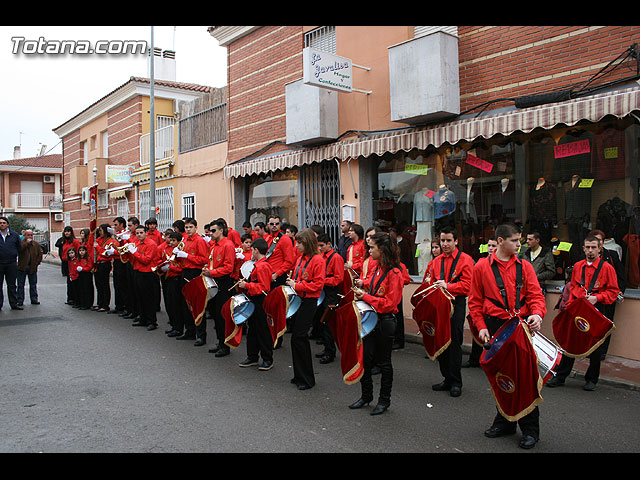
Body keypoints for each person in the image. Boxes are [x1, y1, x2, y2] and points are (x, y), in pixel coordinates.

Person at [468, 223, 546, 449]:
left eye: (520, 240)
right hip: (494, 326)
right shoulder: (482, 266)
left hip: (519, 326)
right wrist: (480, 325)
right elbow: (475, 302)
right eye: (514, 240)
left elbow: (536, 297)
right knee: (500, 377)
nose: (519, 244)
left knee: (526, 378)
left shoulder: (526, 267)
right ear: (500, 241)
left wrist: (538, 315)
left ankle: (531, 429)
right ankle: (505, 421)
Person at [546, 235, 619, 391]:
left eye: (594, 247)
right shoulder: (578, 266)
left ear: (600, 249)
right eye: (588, 247)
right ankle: (560, 376)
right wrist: (571, 305)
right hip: (578, 308)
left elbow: (613, 292)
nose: (590, 251)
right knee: (569, 342)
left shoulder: (607, 268)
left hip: (597, 308)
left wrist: (596, 297)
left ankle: (592, 379)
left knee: (595, 346)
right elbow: (573, 288)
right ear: (584, 248)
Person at [350, 232, 405, 415]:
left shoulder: (395, 273)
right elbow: (373, 283)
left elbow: (390, 303)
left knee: (384, 363)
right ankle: (366, 396)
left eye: (372, 247)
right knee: (364, 359)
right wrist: (362, 283)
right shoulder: (377, 267)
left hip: (385, 322)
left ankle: (384, 400)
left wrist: (365, 296)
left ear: (382, 249)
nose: (369, 250)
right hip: (371, 319)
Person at [425, 226, 474, 397]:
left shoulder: (466, 260)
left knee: (454, 343)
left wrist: (449, 286)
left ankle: (456, 382)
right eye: (442, 241)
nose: (445, 244)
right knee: (441, 342)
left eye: (448, 241)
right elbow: (429, 282)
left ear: (456, 241)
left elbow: (468, 287)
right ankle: (446, 378)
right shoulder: (436, 261)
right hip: (439, 305)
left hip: (456, 303)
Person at [286, 228, 325, 390]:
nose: (297, 246)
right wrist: (292, 281)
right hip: (299, 299)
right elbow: (299, 276)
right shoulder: (301, 258)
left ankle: (307, 378)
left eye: (300, 243)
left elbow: (318, 284)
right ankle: (298, 375)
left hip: (309, 301)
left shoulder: (318, 260)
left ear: (308, 243)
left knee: (300, 337)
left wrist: (297, 285)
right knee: (295, 338)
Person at [238, 237, 275, 371]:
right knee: (252, 329)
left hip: (261, 301)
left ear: (256, 250)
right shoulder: (258, 264)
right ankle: (252, 356)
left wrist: (246, 285)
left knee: (262, 330)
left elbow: (264, 287)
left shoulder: (263, 265)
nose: (251, 252)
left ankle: (267, 358)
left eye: (252, 250)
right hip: (253, 300)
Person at [464, 236, 498, 368]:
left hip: (494, 306)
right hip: (481, 303)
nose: (490, 248)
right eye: (489, 245)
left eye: (493, 246)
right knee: (477, 330)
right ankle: (474, 359)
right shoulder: (481, 263)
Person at [203, 219, 236, 354]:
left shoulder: (228, 245)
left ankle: (225, 345)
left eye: (214, 230)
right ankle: (220, 341)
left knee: (222, 315)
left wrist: (212, 272)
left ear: (221, 230)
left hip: (223, 282)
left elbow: (228, 268)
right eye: (210, 230)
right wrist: (207, 269)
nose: (211, 233)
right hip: (214, 281)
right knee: (216, 314)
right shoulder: (214, 245)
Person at [176, 218, 210, 342]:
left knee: (197, 305)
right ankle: (190, 331)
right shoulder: (184, 240)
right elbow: (183, 260)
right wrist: (178, 255)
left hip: (195, 273)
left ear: (196, 228)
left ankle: (201, 335)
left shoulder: (200, 241)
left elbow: (204, 260)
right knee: (186, 304)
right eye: (186, 227)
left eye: (190, 227)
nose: (188, 230)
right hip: (185, 272)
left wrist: (187, 256)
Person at [314, 233, 345, 364]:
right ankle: (327, 347)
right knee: (321, 321)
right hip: (322, 291)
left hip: (331, 292)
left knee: (328, 323)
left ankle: (330, 352)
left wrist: (322, 281)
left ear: (329, 244)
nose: (319, 248)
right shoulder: (320, 256)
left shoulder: (336, 257)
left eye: (322, 245)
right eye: (318, 246)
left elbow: (338, 279)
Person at [128, 224, 159, 331]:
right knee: (139, 297)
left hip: (148, 274)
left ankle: (152, 321)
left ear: (146, 233)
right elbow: (134, 259)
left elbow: (146, 260)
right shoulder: (137, 243)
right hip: (138, 272)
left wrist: (134, 252)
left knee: (148, 298)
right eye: (137, 233)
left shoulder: (151, 244)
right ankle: (143, 319)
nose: (139, 235)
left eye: (141, 233)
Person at [159, 232, 187, 338]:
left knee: (177, 304)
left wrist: (171, 267)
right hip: (169, 278)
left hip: (177, 278)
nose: (171, 242)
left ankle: (179, 328)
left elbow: (181, 267)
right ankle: (175, 326)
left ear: (179, 242)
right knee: (171, 304)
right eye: (170, 240)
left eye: (174, 240)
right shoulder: (169, 249)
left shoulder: (180, 251)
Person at [0, 216, 25, 311]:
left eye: (3, 223)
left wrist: (13, 254)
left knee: (12, 284)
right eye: (0, 223)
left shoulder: (14, 235)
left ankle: (14, 304)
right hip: (0, 263)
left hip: (11, 263)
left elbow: (19, 247)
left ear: (7, 224)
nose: (2, 224)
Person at [265, 214, 295, 287]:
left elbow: (289, 261)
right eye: (272, 224)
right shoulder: (267, 238)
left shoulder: (285, 239)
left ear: (280, 224)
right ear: (268, 225)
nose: (274, 225)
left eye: (277, 223)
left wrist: (276, 274)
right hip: (268, 274)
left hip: (278, 276)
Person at [94, 224, 118, 312]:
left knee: (104, 284)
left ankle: (105, 304)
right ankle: (99, 303)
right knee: (98, 284)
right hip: (98, 263)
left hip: (105, 263)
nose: (99, 232)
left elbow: (106, 253)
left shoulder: (111, 241)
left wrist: (97, 247)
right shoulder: (99, 239)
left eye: (101, 230)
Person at [108, 217, 130, 316]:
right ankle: (119, 305)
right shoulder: (116, 235)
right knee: (117, 284)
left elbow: (124, 249)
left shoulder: (125, 234)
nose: (115, 227)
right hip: (117, 261)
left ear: (121, 225)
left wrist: (115, 251)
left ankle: (126, 306)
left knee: (123, 285)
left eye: (116, 225)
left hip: (123, 262)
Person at [17, 229, 43, 306]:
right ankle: (20, 300)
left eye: (31, 235)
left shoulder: (36, 244)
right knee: (21, 285)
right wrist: (26, 244)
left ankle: (34, 299)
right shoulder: (21, 243)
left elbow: (39, 255)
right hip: (22, 267)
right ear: (25, 236)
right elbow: (19, 251)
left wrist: (36, 263)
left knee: (33, 284)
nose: (30, 237)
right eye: (28, 235)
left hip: (32, 267)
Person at [75, 244, 94, 310]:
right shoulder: (78, 259)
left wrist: (83, 268)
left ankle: (88, 304)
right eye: (80, 250)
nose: (81, 252)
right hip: (81, 275)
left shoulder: (88, 258)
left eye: (83, 250)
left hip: (87, 275)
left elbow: (89, 267)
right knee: (81, 289)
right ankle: (82, 303)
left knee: (87, 289)